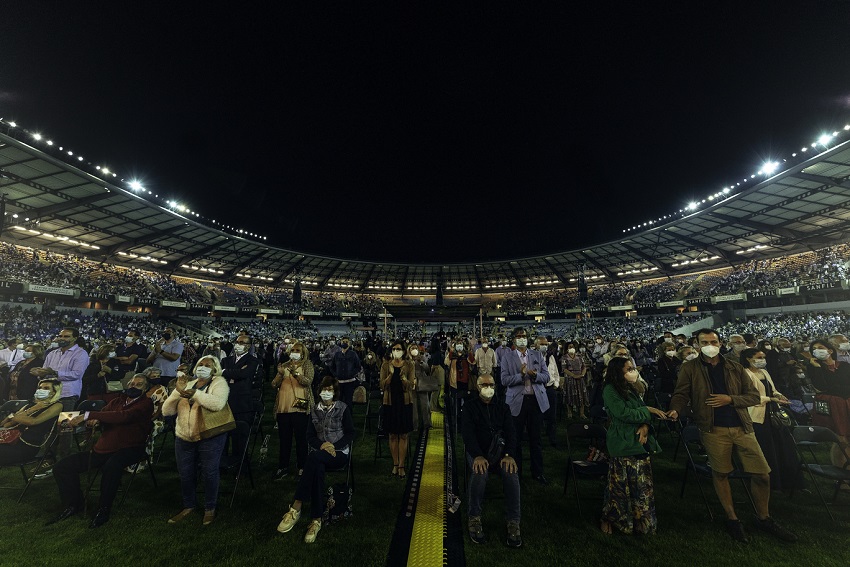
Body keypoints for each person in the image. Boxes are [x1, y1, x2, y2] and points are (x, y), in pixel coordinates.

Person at [668, 328, 797, 543]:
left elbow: (753, 396)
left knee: (762, 474)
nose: (710, 344)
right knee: (721, 474)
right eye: (705, 341)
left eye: (714, 341)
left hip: (741, 426)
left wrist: (730, 399)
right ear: (697, 345)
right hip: (713, 427)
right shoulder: (689, 368)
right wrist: (675, 409)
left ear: (720, 343)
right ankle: (732, 518)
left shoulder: (735, 367)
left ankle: (763, 517)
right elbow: (681, 393)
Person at [47, 373, 154, 529]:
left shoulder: (146, 403)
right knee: (62, 467)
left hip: (131, 447)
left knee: (111, 467)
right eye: (131, 383)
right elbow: (105, 415)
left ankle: (103, 509)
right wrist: (94, 421)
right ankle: (73, 504)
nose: (133, 386)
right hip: (104, 448)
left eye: (138, 384)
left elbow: (124, 416)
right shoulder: (117, 401)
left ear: (146, 389)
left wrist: (90, 414)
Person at [276, 377, 355, 543]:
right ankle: (316, 519)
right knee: (316, 465)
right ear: (319, 391)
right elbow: (309, 436)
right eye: (324, 389)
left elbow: (350, 433)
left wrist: (333, 446)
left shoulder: (342, 408)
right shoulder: (314, 409)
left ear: (335, 392)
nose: (326, 393)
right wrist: (322, 445)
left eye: (330, 390)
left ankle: (296, 507)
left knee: (312, 459)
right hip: (320, 453)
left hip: (338, 453)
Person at [162, 355, 231, 526]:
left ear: (214, 368)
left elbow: (217, 404)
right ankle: (189, 505)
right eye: (201, 364)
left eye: (208, 365)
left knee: (210, 472)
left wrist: (195, 394)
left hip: (209, 435)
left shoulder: (219, 382)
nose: (203, 367)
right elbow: (167, 411)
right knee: (185, 473)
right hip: (184, 435)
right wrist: (177, 391)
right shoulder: (189, 383)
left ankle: (210, 507)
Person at [600, 357, 665, 535]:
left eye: (633, 368)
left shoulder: (631, 389)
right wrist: (648, 411)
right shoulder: (610, 390)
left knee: (642, 487)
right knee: (620, 487)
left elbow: (638, 408)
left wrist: (645, 425)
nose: (633, 371)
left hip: (638, 442)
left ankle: (641, 522)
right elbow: (623, 413)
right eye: (629, 368)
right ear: (618, 371)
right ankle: (616, 521)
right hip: (622, 442)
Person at [462, 373, 521, 548]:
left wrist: (509, 455)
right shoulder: (470, 407)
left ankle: (513, 522)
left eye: (491, 384)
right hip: (478, 452)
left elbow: (511, 434)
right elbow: (468, 435)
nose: (488, 388)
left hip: (501, 453)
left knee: (511, 473)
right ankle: (474, 518)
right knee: (480, 472)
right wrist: (477, 455)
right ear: (477, 387)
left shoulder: (503, 407)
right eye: (484, 385)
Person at [740, 348, 803, 492]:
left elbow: (772, 389)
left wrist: (779, 396)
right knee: (767, 449)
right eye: (759, 357)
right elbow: (747, 397)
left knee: (782, 448)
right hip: (758, 416)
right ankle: (771, 482)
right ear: (749, 359)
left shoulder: (764, 372)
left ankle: (788, 481)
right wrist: (770, 399)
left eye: (763, 357)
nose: (762, 359)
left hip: (773, 413)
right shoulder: (744, 374)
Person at [500, 327, 550, 484]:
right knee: (516, 439)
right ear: (514, 339)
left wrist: (535, 375)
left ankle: (538, 472)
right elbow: (504, 380)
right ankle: (517, 472)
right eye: (519, 336)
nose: (522, 338)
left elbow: (546, 376)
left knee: (536, 439)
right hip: (516, 402)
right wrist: (520, 375)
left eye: (524, 336)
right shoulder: (507, 357)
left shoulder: (537, 355)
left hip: (535, 401)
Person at [272, 341, 315, 480]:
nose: (294, 352)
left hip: (300, 407)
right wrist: (279, 375)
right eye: (293, 350)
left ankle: (302, 466)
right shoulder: (284, 365)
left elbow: (308, 381)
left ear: (303, 352)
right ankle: (283, 466)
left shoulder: (307, 364)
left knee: (301, 439)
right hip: (283, 407)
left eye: (297, 350)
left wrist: (295, 374)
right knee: (284, 439)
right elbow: (274, 384)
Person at [805, 339, 850, 468]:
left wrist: (834, 388)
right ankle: (840, 474)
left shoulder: (844, 366)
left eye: (820, 347)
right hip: (833, 405)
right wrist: (818, 368)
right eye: (814, 349)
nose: (816, 351)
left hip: (847, 402)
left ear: (830, 350)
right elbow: (821, 386)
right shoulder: (814, 367)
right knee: (841, 440)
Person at [220, 334, 261, 468]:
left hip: (242, 403)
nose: (238, 344)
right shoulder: (226, 360)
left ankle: (241, 465)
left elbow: (245, 374)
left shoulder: (253, 360)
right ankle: (223, 463)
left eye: (242, 342)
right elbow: (220, 374)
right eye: (237, 341)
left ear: (248, 346)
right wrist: (234, 373)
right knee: (223, 436)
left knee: (240, 437)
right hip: (226, 401)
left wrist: (227, 372)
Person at [0, 379, 63, 465]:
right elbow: (6, 424)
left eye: (46, 388)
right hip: (12, 440)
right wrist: (34, 408)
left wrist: (13, 416)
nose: (41, 390)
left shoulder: (57, 405)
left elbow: (33, 421)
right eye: (40, 388)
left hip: (27, 446)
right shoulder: (30, 405)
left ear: (53, 392)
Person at [30, 327, 88, 411]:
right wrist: (40, 374)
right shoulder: (52, 353)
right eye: (60, 336)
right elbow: (45, 371)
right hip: (49, 394)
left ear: (75, 338)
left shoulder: (81, 354)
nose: (62, 338)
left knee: (62, 422)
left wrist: (54, 373)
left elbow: (77, 374)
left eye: (66, 336)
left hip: (67, 394)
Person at [381, 340, 414, 478]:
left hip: (404, 403)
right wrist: (389, 377)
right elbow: (381, 385)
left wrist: (404, 379)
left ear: (404, 351)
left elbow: (411, 385)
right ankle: (395, 463)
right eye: (394, 348)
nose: (396, 351)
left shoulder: (409, 365)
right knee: (393, 435)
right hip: (390, 403)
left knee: (404, 435)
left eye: (399, 348)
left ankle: (401, 465)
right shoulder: (385, 365)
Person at [537, 336, 561, 447]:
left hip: (550, 389)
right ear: (537, 345)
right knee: (539, 416)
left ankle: (553, 438)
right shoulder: (531, 357)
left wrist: (556, 384)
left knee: (552, 416)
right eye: (542, 344)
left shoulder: (551, 357)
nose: (544, 346)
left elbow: (556, 372)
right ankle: (538, 440)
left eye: (545, 344)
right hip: (538, 389)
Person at [330, 337, 361, 409]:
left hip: (349, 382)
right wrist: (336, 374)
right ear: (340, 343)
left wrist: (352, 374)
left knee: (348, 401)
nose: (344, 343)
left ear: (349, 344)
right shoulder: (337, 355)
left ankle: (348, 417)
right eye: (343, 341)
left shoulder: (353, 354)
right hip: (339, 382)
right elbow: (332, 366)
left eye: (346, 342)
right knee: (338, 401)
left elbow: (358, 366)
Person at [560, 341, 588, 420]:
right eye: (570, 347)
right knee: (570, 395)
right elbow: (564, 369)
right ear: (567, 349)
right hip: (570, 380)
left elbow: (584, 366)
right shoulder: (564, 357)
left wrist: (582, 374)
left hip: (580, 379)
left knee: (581, 395)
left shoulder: (579, 356)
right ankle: (569, 412)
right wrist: (573, 375)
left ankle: (582, 413)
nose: (572, 348)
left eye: (573, 347)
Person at [409, 343, 432, 430]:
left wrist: (421, 362)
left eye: (415, 348)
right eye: (412, 349)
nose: (414, 350)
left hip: (422, 382)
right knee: (413, 405)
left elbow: (427, 369)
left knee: (425, 404)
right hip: (412, 383)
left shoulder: (421, 358)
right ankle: (415, 425)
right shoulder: (407, 360)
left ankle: (427, 423)